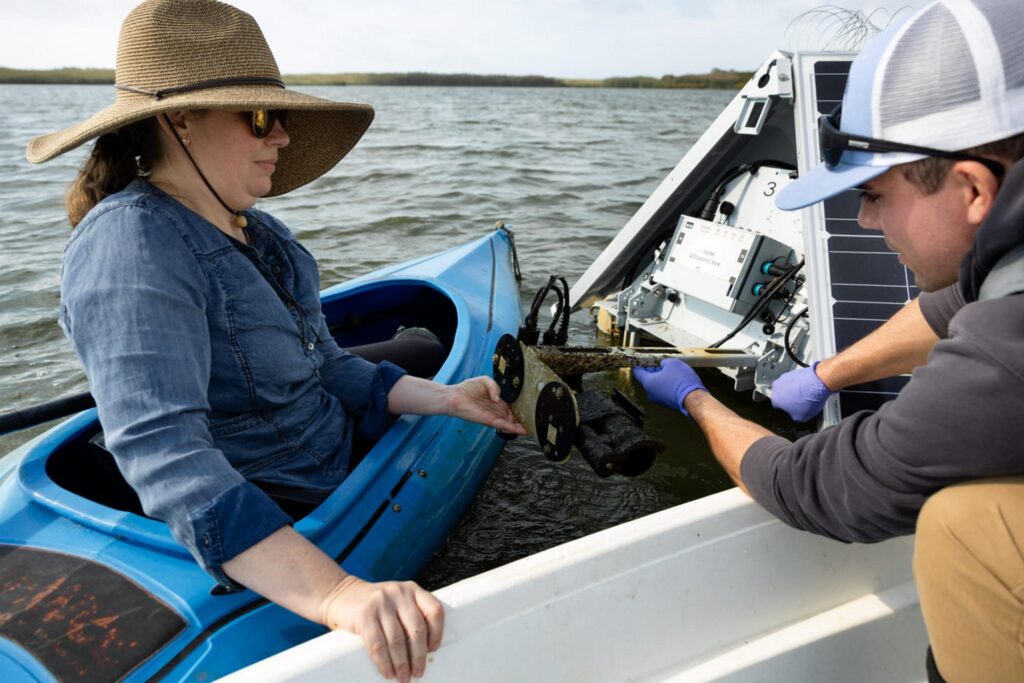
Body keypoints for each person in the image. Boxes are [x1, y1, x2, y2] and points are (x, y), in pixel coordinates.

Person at [26, 1, 526, 681]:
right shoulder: (132, 241)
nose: (283, 136)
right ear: (181, 119)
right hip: (282, 499)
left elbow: (329, 367)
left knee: (415, 345)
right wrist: (339, 593)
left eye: (281, 116)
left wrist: (449, 400)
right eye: (261, 116)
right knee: (415, 337)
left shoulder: (263, 236)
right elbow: (163, 450)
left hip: (327, 440)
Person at [631, 1, 1024, 680]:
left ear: (970, 188)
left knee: (961, 527)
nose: (867, 222)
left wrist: (695, 399)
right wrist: (828, 373)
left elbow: (812, 483)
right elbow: (953, 301)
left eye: (872, 194)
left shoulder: (1004, 352)